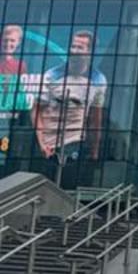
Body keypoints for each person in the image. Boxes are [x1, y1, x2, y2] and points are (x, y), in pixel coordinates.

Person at [33, 30, 108, 189]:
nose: (74, 50)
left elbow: (96, 119)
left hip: (75, 140)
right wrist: (41, 141)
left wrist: (94, 149)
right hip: (49, 140)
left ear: (90, 52)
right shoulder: (52, 74)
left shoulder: (98, 80)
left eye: (80, 47)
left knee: (68, 185)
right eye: (73, 46)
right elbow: (36, 109)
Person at [0, 23, 31, 164]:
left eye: (12, 40)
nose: (8, 43)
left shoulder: (20, 65)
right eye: (5, 39)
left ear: (18, 43)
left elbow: (21, 90)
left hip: (6, 113)